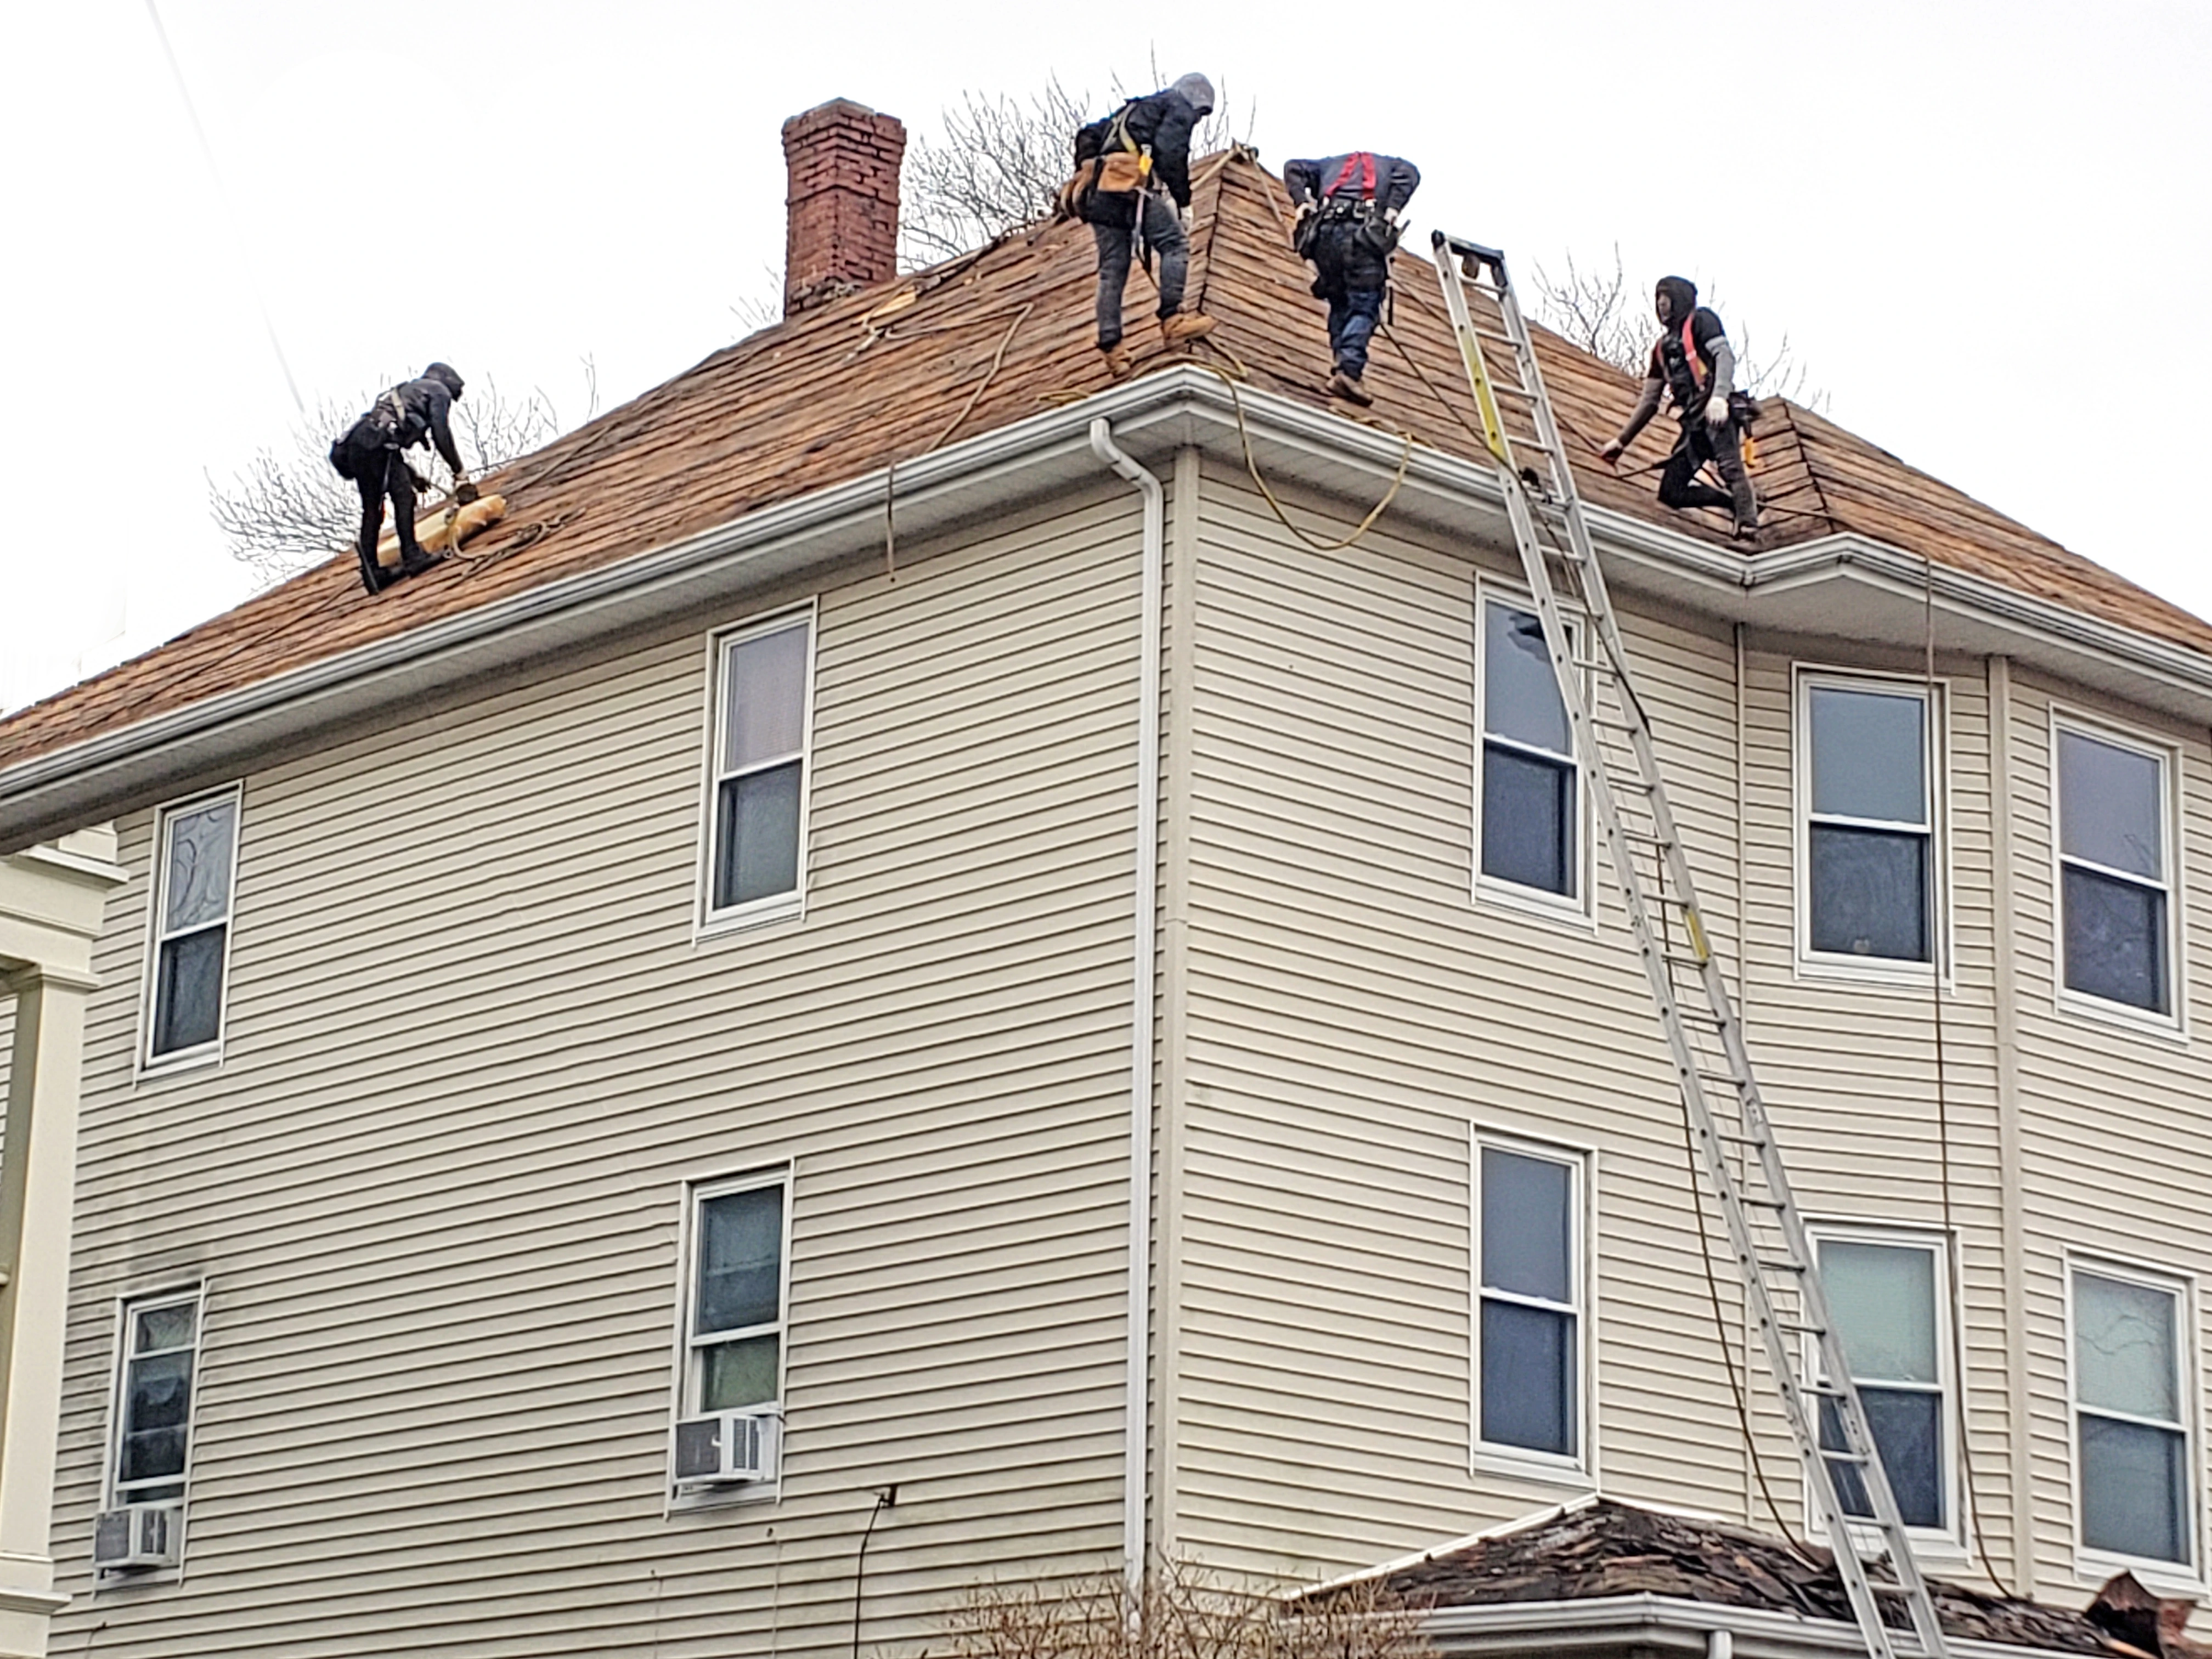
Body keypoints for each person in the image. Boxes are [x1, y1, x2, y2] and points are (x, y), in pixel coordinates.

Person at [1072, 75, 1219, 378]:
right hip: (1131, 190)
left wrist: (1088, 166)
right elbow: (1170, 152)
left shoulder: (1132, 111)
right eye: (1200, 114)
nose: (1196, 120)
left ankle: (1113, 348)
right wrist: (1183, 201)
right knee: (1174, 244)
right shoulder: (1177, 106)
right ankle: (1173, 320)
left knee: (1113, 267)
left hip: (1101, 194)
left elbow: (1087, 135)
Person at [1599, 278, 1759, 538]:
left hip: (1716, 412)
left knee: (1730, 467)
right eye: (1658, 300)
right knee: (1671, 491)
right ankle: (1733, 502)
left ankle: (1748, 524)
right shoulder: (1661, 351)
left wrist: (1719, 397)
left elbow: (1724, 357)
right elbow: (1650, 401)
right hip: (1694, 423)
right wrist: (1621, 441)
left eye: (1667, 298)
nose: (1662, 305)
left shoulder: (1701, 321)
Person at [1284, 150, 1421, 406]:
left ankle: (1341, 365)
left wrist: (1302, 202)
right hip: (1362, 238)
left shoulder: (1327, 165)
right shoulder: (1394, 166)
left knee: (1340, 301)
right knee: (1365, 305)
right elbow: (1410, 173)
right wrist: (1392, 209)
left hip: (1324, 236)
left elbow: (1294, 167)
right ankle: (1349, 370)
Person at [327, 363, 473, 593]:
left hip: (363, 444)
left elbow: (390, 440)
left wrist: (414, 477)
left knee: (380, 506)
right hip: (375, 445)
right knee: (397, 500)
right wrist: (459, 472)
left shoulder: (408, 390)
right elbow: (440, 432)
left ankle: (375, 571)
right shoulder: (437, 390)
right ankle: (410, 557)